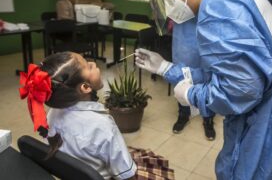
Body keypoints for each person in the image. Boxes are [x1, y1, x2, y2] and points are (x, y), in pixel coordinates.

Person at [137, 0, 272, 179]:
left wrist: (191, 95)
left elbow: (241, 90)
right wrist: (165, 68)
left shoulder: (218, 5)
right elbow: (225, 73)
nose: (168, 3)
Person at [19, 52, 174, 180]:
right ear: (85, 87)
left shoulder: (51, 114)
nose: (94, 64)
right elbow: (126, 174)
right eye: (88, 65)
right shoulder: (103, 125)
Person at [170, 18, 216, 139]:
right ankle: (183, 113)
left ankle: (208, 118)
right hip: (184, 28)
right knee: (183, 73)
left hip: (208, 27)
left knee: (208, 74)